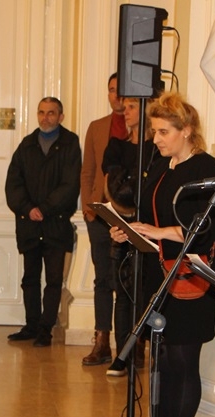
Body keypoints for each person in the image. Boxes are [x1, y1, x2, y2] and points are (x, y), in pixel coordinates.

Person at [110, 92, 215, 417]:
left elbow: (214, 227)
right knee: (162, 367)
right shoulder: (163, 167)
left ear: (187, 130)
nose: (156, 139)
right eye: (155, 131)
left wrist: (159, 232)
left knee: (182, 366)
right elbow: (152, 216)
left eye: (164, 131)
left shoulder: (207, 168)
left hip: (191, 277)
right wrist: (131, 231)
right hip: (160, 274)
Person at [5, 97, 81, 347]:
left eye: (51, 113)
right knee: (30, 278)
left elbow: (70, 185)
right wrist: (28, 209)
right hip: (29, 224)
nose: (45, 118)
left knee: (54, 279)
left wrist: (45, 209)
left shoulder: (70, 143)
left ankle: (46, 329)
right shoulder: (26, 145)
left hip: (56, 223)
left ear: (61, 117)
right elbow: (13, 184)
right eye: (41, 112)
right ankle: (31, 325)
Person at [101, 96, 157, 376]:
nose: (125, 111)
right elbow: (114, 189)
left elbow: (149, 191)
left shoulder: (155, 150)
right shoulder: (116, 147)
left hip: (149, 230)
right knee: (122, 294)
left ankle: (140, 350)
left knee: (145, 292)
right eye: (125, 107)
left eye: (133, 106)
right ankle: (121, 355)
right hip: (121, 226)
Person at [79, 74, 126, 366]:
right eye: (111, 90)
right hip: (98, 214)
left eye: (120, 91)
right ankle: (101, 340)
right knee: (103, 280)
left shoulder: (143, 128)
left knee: (126, 280)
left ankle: (129, 343)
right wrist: (88, 207)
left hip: (128, 216)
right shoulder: (97, 127)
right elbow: (87, 171)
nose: (116, 96)